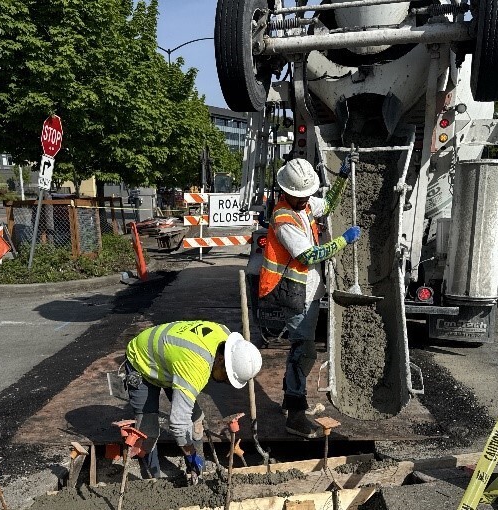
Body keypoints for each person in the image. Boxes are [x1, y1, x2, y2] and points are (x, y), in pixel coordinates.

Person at [258, 156, 361, 439]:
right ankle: (295, 415)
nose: (306, 199)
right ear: (288, 192)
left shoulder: (302, 206)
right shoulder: (283, 219)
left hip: (308, 292)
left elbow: (327, 205)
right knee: (302, 350)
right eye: (301, 196)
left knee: (304, 351)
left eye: (307, 195)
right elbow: (309, 254)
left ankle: (292, 398)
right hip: (293, 294)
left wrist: (341, 179)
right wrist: (343, 240)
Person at [123, 320, 262, 481]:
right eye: (227, 377)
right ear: (221, 360)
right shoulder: (195, 368)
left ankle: (197, 471)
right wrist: (190, 453)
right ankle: (153, 480)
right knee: (147, 431)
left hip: (172, 360)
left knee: (196, 420)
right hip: (141, 360)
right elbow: (178, 423)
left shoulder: (225, 336)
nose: (226, 383)